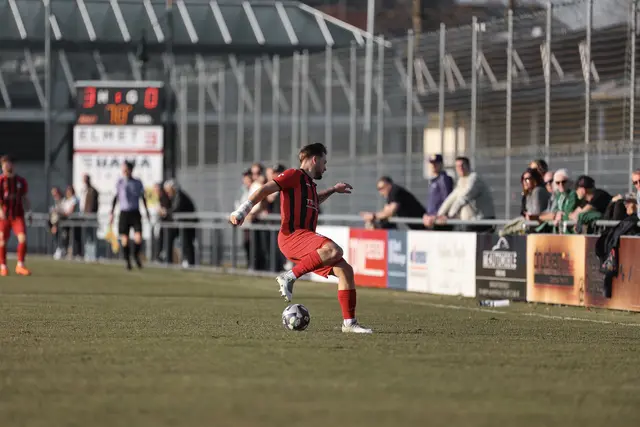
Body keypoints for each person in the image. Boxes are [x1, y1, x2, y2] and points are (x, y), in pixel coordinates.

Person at [229, 142, 372, 334]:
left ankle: (349, 323)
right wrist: (242, 211)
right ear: (315, 159)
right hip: (292, 236)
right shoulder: (293, 175)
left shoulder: (309, 184)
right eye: (324, 162)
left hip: (305, 239)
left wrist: (332, 190)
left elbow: (314, 200)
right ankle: (289, 276)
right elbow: (265, 190)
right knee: (334, 249)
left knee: (345, 271)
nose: (325, 167)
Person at [425, 156, 495, 232]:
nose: (460, 168)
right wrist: (438, 215)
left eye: (462, 165)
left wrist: (449, 216)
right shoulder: (461, 180)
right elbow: (450, 199)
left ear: (468, 166)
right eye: (457, 166)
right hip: (470, 222)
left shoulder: (474, 179)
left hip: (483, 221)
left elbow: (463, 198)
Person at [109, 160, 151, 270]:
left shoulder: (137, 182)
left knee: (138, 237)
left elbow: (142, 197)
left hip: (135, 212)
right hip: (124, 212)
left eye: (126, 169)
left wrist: (146, 211)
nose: (124, 171)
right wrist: (112, 212)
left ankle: (135, 255)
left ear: (130, 170)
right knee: (125, 239)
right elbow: (115, 198)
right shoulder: (120, 182)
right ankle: (127, 261)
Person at [0, 156, 31, 276]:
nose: (5, 167)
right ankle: (3, 266)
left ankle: (20, 265)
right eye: (3, 165)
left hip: (18, 215)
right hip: (4, 216)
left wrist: (29, 211)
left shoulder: (20, 181)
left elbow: (25, 197)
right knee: (2, 240)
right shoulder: (1, 181)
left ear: (12, 165)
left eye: (7, 164)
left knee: (22, 238)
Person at [360, 176, 426, 230]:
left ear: (388, 185)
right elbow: (385, 211)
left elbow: (390, 212)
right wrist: (373, 220)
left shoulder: (394, 191)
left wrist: (373, 216)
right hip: (419, 226)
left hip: (425, 226)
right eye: (378, 189)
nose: (380, 192)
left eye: (381, 188)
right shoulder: (391, 195)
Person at [163, 180, 197, 268]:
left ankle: (189, 262)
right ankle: (168, 260)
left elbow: (176, 208)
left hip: (188, 223)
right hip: (180, 224)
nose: (167, 193)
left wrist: (166, 212)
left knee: (187, 242)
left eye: (169, 190)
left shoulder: (180, 196)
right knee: (169, 236)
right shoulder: (174, 196)